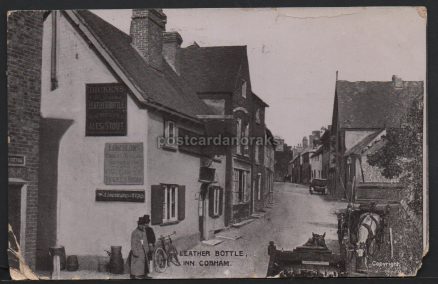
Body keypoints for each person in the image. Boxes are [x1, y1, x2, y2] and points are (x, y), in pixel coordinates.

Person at [129, 215, 156, 279]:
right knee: (137, 265)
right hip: (138, 251)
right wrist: (135, 252)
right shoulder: (135, 232)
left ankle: (145, 275)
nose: (143, 226)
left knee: (145, 265)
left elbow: (145, 241)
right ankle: (136, 276)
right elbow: (133, 243)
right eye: (141, 225)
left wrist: (148, 248)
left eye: (143, 225)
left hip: (144, 251)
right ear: (138, 225)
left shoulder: (144, 231)